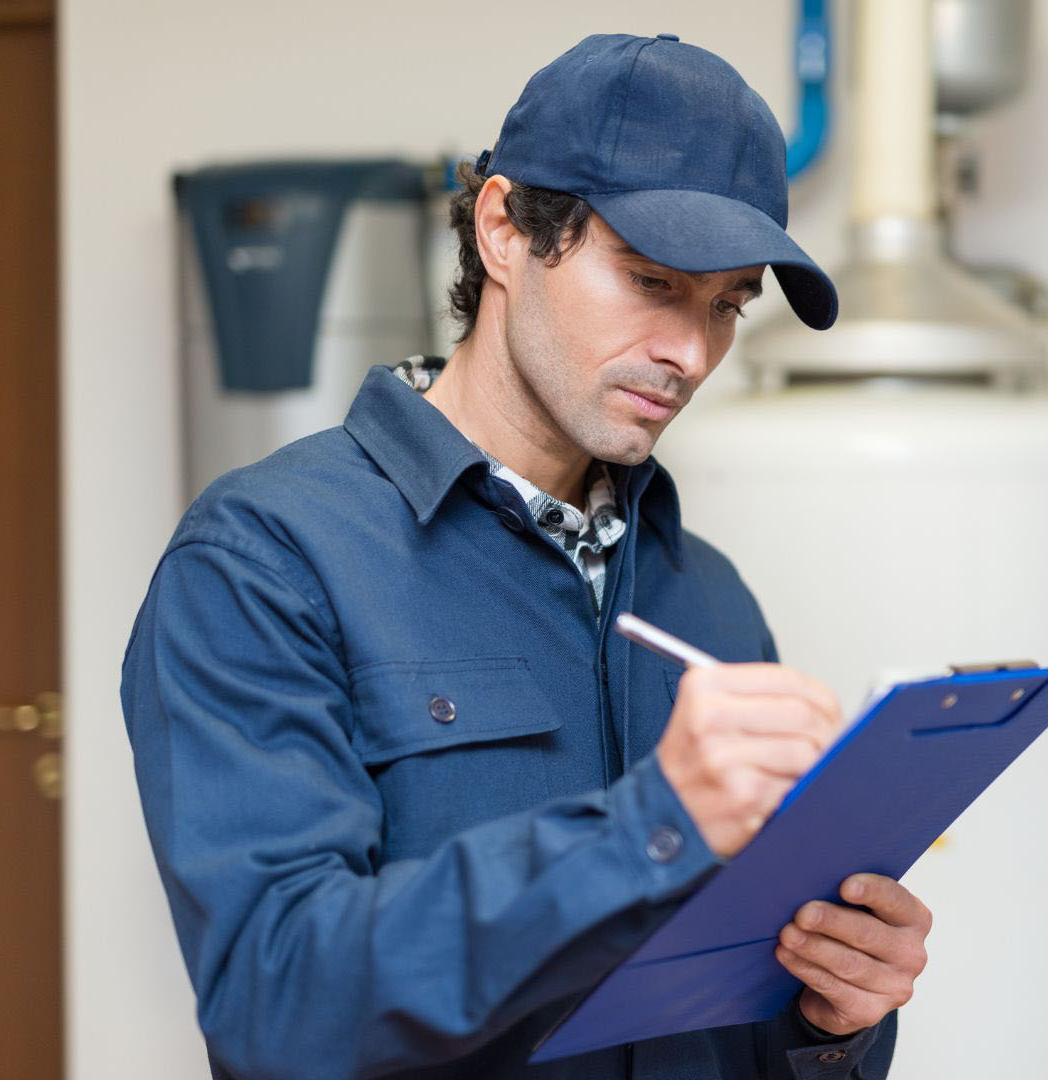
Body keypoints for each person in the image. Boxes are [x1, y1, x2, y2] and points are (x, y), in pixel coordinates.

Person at [121, 33, 931, 1080]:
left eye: (727, 304)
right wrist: (650, 826)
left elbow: (734, 1022)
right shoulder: (266, 562)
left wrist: (837, 1020)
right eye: (650, 280)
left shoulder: (711, 597)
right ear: (504, 228)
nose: (691, 354)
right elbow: (276, 1004)